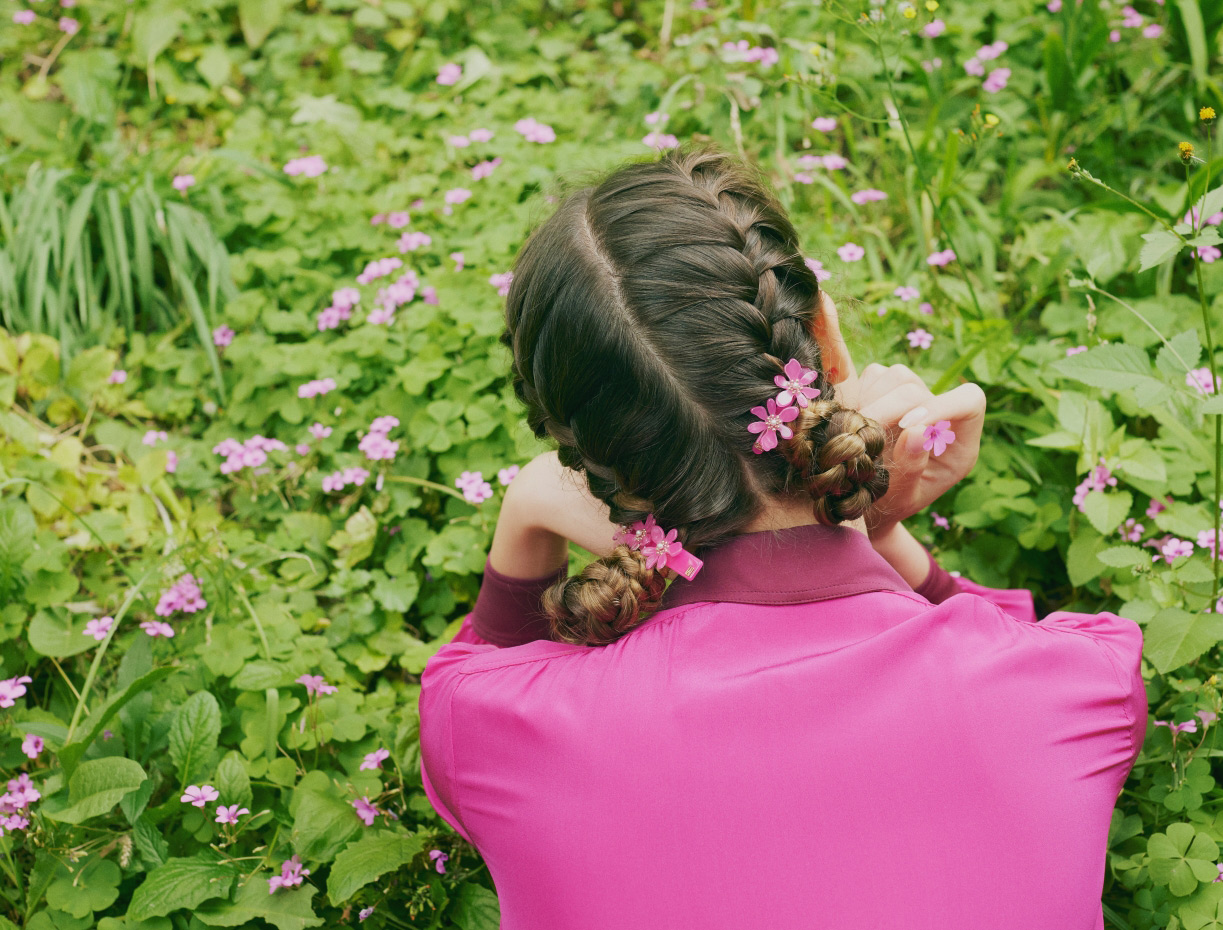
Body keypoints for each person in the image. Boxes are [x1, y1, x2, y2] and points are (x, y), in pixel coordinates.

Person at [419, 143, 1146, 929]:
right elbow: (1012, 649)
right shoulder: (1079, 680)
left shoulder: (486, 723)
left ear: (579, 452)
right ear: (823, 342)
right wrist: (877, 527)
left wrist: (527, 510)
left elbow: (470, 683)